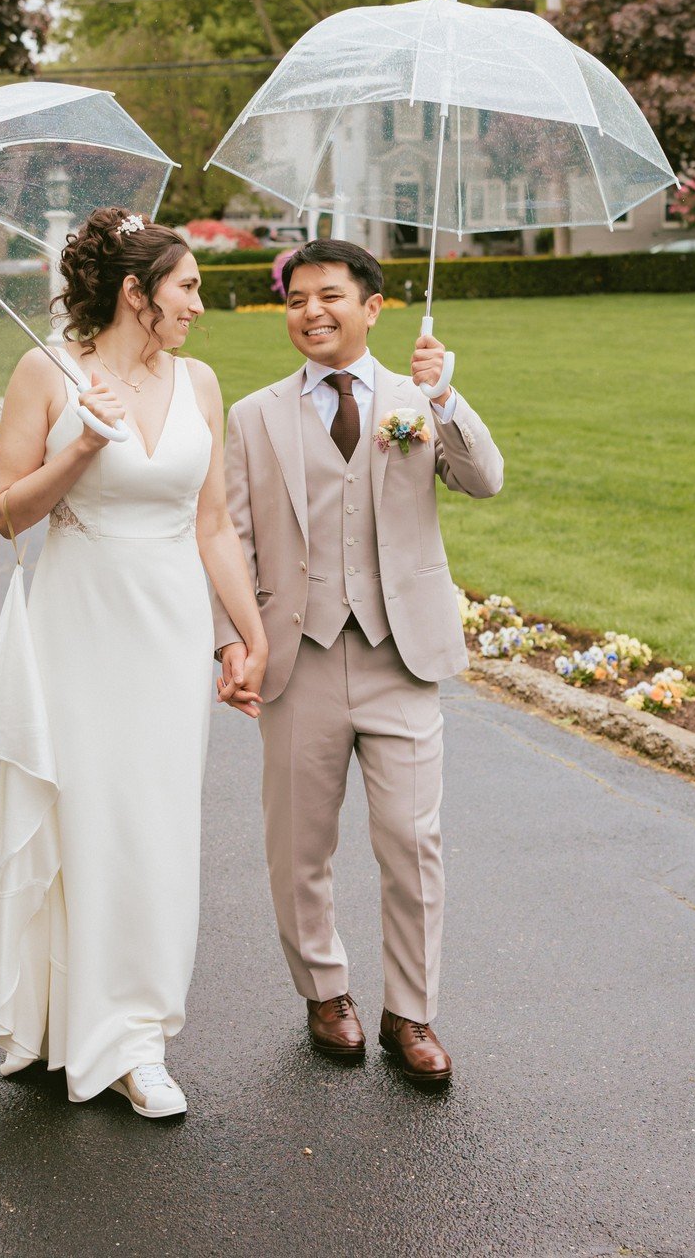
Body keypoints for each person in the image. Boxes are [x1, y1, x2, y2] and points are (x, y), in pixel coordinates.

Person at [0, 208, 267, 1119]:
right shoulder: (46, 373)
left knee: (156, 824)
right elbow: (8, 512)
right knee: (83, 818)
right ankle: (69, 1021)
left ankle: (138, 1035)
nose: (199, 305)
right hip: (78, 626)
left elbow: (213, 525)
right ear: (137, 293)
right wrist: (84, 445)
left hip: (167, 629)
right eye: (188, 287)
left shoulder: (200, 383)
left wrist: (249, 635)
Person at [213, 239, 503, 1089]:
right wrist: (231, 640)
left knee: (414, 842)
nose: (311, 312)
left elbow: (482, 479)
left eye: (329, 296)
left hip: (398, 657)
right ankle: (324, 990)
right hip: (294, 658)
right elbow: (229, 538)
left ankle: (410, 1010)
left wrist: (444, 394)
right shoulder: (253, 416)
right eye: (297, 299)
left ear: (371, 307)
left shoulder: (418, 399)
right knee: (297, 844)